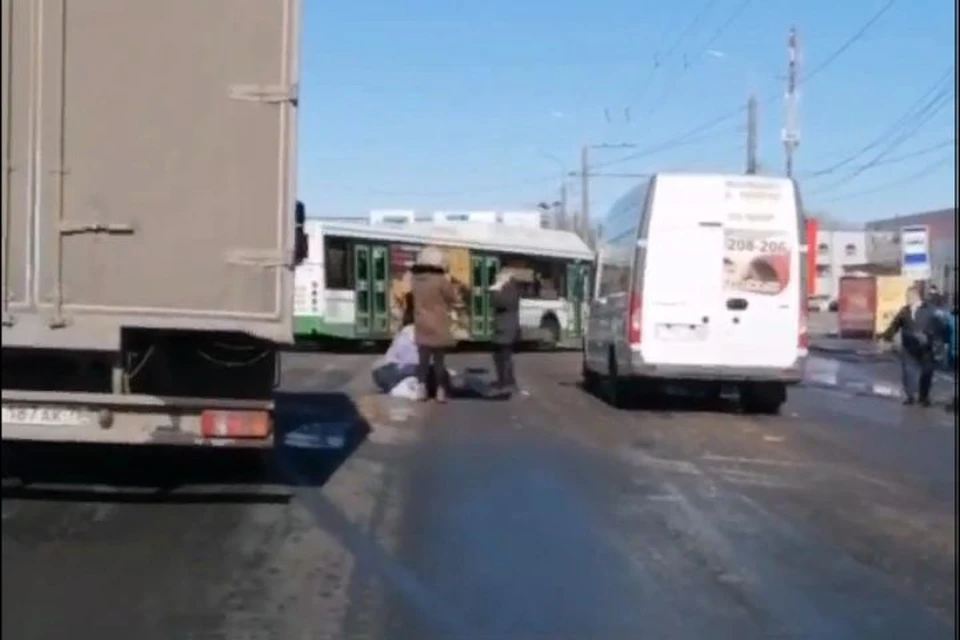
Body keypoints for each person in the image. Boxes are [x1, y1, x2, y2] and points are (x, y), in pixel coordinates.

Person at [878, 284, 946, 407]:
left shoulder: (930, 310)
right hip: (908, 346)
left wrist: (930, 337)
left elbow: (939, 326)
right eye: (907, 296)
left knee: (926, 372)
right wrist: (885, 338)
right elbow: (895, 325)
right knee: (908, 372)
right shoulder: (904, 311)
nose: (907, 298)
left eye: (909, 296)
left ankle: (924, 397)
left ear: (916, 296)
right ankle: (910, 396)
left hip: (926, 347)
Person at [410, 246, 459, 403]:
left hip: (421, 324)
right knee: (439, 361)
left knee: (423, 361)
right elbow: (453, 298)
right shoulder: (441, 281)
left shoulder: (415, 280)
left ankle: (421, 390)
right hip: (438, 324)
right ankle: (440, 391)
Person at [371, 295, 418, 393]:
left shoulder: (405, 331)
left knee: (377, 366)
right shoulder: (428, 330)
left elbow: (395, 355)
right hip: (419, 370)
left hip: (400, 370)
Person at [489, 268, 521, 392]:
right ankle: (505, 380)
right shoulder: (508, 288)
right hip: (502, 327)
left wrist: (496, 291)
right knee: (500, 356)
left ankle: (507, 381)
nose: (497, 279)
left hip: (507, 328)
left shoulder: (510, 288)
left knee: (504, 356)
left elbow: (501, 303)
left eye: (499, 277)